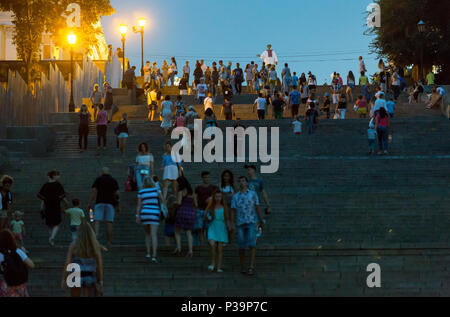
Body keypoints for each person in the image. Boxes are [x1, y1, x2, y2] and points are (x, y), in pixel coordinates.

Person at [230, 176, 264, 276]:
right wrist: (232, 223)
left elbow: (257, 207)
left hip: (251, 222)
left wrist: (261, 220)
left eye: (243, 181)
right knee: (241, 246)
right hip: (240, 223)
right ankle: (243, 266)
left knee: (252, 244)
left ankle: (251, 266)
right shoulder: (236, 196)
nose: (241, 183)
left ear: (247, 183)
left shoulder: (253, 194)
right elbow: (232, 210)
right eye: (239, 181)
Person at [61, 220, 103, 297]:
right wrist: (100, 280)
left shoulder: (74, 244)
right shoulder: (95, 245)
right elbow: (99, 265)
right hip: (90, 274)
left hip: (75, 274)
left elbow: (68, 262)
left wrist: (64, 278)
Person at [88, 167, 120, 250]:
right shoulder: (113, 180)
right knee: (109, 222)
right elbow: (117, 193)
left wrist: (90, 202)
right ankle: (109, 241)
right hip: (110, 203)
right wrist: (118, 205)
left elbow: (94, 191)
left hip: (100, 202)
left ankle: (95, 240)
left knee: (97, 221)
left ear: (102, 172)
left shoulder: (98, 179)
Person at [136, 177, 165, 262]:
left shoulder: (141, 192)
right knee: (154, 234)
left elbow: (139, 205)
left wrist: (137, 215)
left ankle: (148, 253)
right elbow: (162, 200)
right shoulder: (156, 190)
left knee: (147, 234)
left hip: (145, 213)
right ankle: (154, 255)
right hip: (154, 212)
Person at [37, 170, 69, 246]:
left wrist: (41, 208)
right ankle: (52, 238)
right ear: (54, 176)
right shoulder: (58, 185)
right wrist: (66, 203)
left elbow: (42, 198)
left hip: (47, 206)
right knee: (57, 223)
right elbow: (62, 196)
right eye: (58, 175)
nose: (59, 176)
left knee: (50, 224)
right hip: (56, 206)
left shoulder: (45, 185)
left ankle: (51, 239)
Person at [0, 229, 35, 297]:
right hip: (19, 283)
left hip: (4, 284)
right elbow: (32, 265)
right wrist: (24, 254)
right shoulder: (18, 251)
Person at [205, 190, 230, 272]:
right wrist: (208, 217)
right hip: (212, 226)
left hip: (221, 227)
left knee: (219, 249)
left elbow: (227, 219)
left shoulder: (224, 206)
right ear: (214, 197)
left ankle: (218, 267)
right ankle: (212, 263)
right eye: (216, 196)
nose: (218, 198)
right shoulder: (211, 206)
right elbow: (206, 216)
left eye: (219, 196)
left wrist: (229, 227)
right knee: (212, 244)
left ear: (222, 197)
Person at [174, 176, 197, 258]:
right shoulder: (192, 192)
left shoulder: (181, 191)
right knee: (189, 232)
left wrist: (174, 203)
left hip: (182, 211)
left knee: (177, 230)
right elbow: (196, 204)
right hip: (190, 212)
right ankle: (190, 250)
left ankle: (179, 247)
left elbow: (179, 202)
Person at [194, 171, 219, 245]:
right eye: (205, 177)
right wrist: (196, 206)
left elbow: (218, 197)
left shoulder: (214, 187)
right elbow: (195, 197)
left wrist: (211, 198)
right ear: (202, 178)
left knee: (209, 228)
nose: (206, 179)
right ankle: (202, 244)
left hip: (209, 210)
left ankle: (209, 244)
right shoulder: (198, 187)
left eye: (208, 177)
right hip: (200, 210)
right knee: (200, 228)